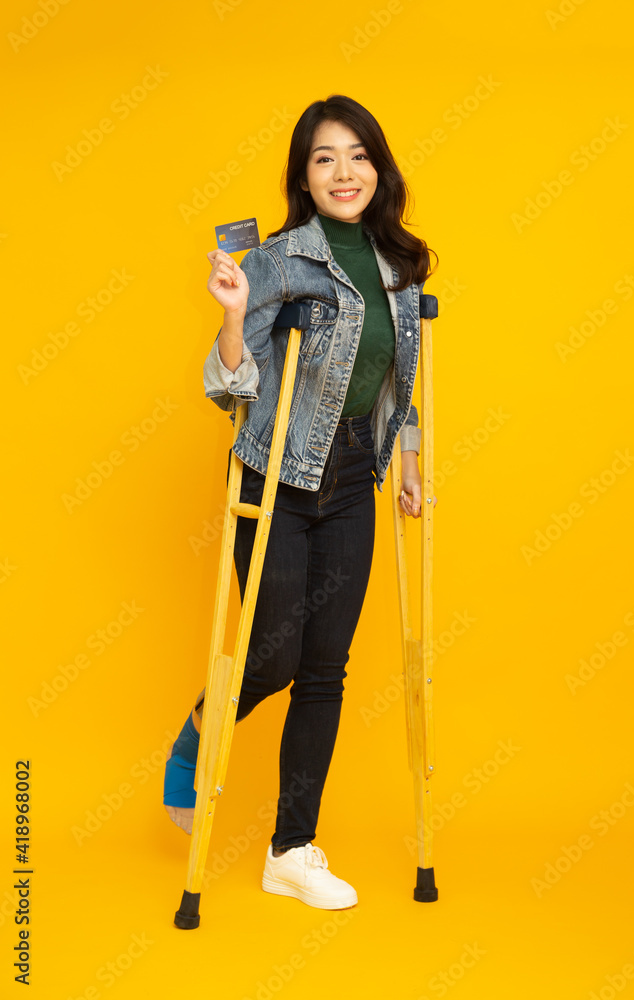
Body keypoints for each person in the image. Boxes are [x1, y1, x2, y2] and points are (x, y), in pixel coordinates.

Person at [163, 93, 438, 910]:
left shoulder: (400, 266)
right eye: (324, 158)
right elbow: (231, 386)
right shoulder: (278, 261)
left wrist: (410, 460)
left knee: (325, 667)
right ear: (304, 177)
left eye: (357, 155)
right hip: (275, 473)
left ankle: (292, 849)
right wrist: (234, 313)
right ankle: (199, 732)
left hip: (356, 474)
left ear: (378, 169)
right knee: (275, 656)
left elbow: (401, 384)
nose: (343, 171)